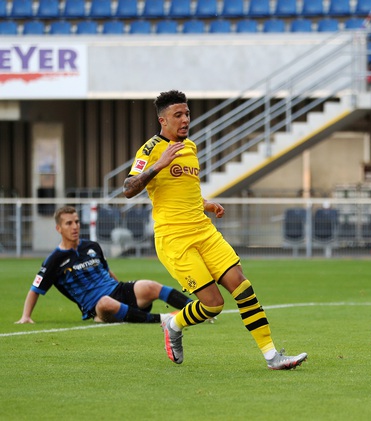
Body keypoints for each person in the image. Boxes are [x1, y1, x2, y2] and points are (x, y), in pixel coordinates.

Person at [123, 90, 307, 370]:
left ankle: (272, 357)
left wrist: (206, 204)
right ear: (163, 120)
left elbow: (184, 190)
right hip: (175, 240)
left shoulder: (191, 147)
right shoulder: (150, 150)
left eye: (187, 113)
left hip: (204, 231)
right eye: (178, 115)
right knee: (213, 305)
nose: (185, 119)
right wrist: (159, 165)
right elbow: (127, 189)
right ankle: (174, 323)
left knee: (243, 287)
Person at [15, 206, 191, 325]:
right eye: (69, 223)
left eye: (76, 222)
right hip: (96, 307)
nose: (75, 226)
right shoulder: (54, 260)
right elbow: (35, 289)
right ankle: (162, 319)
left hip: (117, 291)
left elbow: (107, 271)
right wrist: (26, 316)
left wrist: (126, 288)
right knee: (106, 302)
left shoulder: (91, 246)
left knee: (150, 285)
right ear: (58, 229)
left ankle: (196, 309)